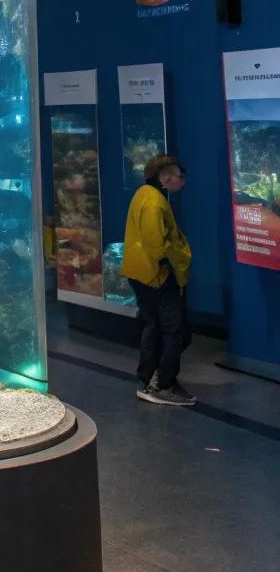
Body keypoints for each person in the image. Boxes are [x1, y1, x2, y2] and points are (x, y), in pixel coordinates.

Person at [123, 155, 195, 407]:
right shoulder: (154, 202)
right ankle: (163, 384)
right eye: (179, 177)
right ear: (165, 177)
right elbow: (158, 245)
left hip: (142, 273)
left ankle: (148, 380)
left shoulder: (143, 194)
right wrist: (178, 264)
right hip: (157, 276)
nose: (182, 183)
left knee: (153, 326)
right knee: (175, 332)